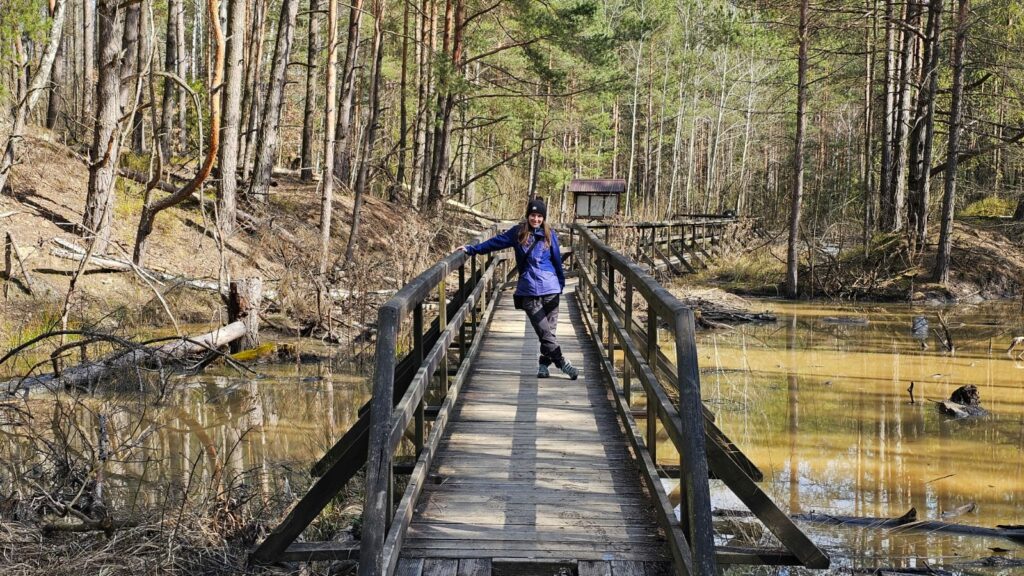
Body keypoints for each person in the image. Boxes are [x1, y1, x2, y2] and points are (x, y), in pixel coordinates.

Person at [460, 197, 579, 380]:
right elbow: (495, 243)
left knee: (549, 331)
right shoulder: (518, 233)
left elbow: (556, 259)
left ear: (543, 218)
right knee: (544, 331)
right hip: (529, 290)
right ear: (528, 216)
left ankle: (543, 365)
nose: (536, 219)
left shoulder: (550, 234)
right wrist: (473, 249)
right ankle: (562, 362)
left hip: (551, 288)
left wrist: (560, 283)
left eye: (540, 216)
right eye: (533, 215)